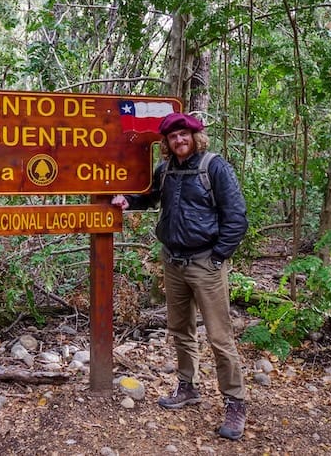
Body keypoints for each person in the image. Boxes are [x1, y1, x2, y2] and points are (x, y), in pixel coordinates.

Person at [111, 111, 249, 441]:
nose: (179, 141)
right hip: (172, 261)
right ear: (167, 143)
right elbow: (149, 196)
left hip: (206, 263)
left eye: (184, 135)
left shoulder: (213, 166)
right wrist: (127, 200)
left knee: (219, 336)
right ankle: (187, 386)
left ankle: (235, 401)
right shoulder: (167, 169)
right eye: (173, 137)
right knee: (181, 329)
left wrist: (218, 257)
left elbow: (237, 216)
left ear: (195, 136)